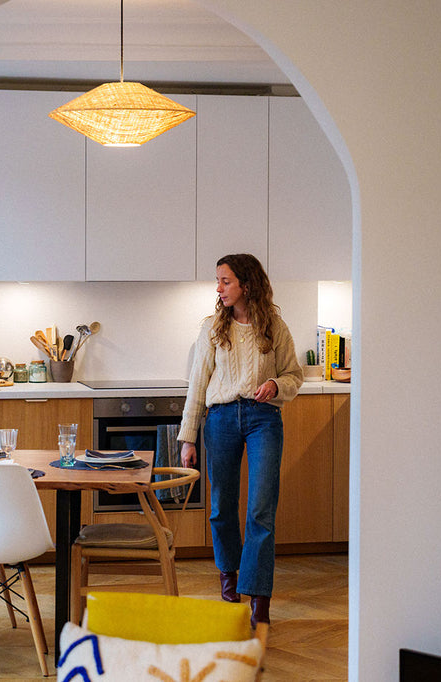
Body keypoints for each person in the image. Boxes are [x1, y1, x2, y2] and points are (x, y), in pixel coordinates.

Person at [178, 253, 303, 628]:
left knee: (261, 508)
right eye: (218, 281)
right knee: (222, 506)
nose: (219, 288)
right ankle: (228, 575)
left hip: (264, 418)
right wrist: (188, 438)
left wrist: (276, 385)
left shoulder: (274, 327)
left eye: (225, 281)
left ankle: (259, 596)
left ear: (246, 285)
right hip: (220, 419)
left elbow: (294, 375)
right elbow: (197, 384)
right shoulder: (212, 327)